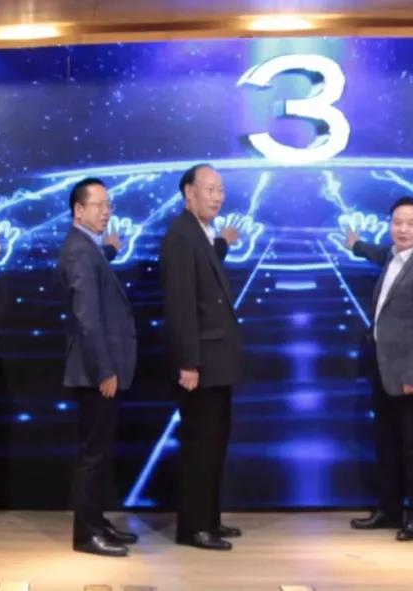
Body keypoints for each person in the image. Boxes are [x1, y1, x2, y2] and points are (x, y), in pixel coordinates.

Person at [346, 196, 413, 542]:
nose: (402, 229)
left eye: (411, 224)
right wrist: (358, 245)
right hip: (384, 366)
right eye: (397, 222)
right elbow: (381, 254)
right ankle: (389, 510)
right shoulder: (397, 254)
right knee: (387, 443)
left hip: (409, 375)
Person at [159, 163, 242, 551]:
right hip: (201, 363)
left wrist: (222, 243)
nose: (217, 196)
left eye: (220, 189)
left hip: (218, 362)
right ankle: (193, 528)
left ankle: (209, 519)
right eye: (209, 189)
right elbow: (180, 304)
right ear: (188, 193)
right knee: (199, 447)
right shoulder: (181, 235)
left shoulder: (201, 232)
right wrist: (188, 362)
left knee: (214, 443)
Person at [57, 177, 140, 556]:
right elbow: (87, 317)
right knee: (93, 454)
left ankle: (97, 521)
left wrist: (108, 250)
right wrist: (105, 370)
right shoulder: (78, 250)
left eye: (109, 205)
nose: (106, 211)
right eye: (99, 205)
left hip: (101, 368)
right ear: (79, 210)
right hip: (95, 372)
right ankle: (86, 533)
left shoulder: (88, 246)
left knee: (101, 451)